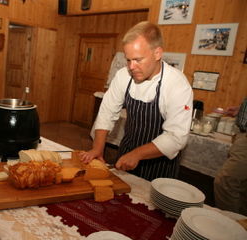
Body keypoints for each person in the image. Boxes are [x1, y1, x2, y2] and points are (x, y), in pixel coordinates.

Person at [80, 21, 193, 181]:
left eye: (138, 60)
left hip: (159, 164)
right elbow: (107, 112)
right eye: (128, 60)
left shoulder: (177, 84)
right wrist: (98, 148)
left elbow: (176, 136)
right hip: (127, 152)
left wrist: (138, 154)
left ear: (157, 53)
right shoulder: (123, 76)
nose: (131, 67)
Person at [214, 98, 247, 215]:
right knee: (241, 189)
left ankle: (231, 225)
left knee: (225, 182)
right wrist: (241, 110)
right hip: (241, 134)